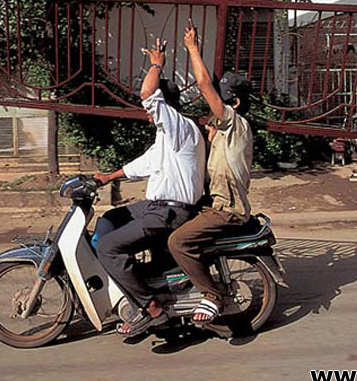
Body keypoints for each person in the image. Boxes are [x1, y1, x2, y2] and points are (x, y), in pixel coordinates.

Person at [93, 38, 206, 337]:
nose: (147, 112)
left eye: (153, 108)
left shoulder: (179, 125)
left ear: (164, 105)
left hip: (168, 213)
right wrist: (108, 177)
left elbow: (147, 94)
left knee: (108, 247)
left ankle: (151, 307)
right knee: (110, 219)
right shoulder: (168, 137)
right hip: (156, 208)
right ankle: (136, 282)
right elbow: (145, 163)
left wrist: (157, 65)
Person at [168, 24, 253, 324]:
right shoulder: (220, 131)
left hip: (227, 210)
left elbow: (204, 85)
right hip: (213, 204)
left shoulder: (236, 123)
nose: (213, 103)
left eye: (220, 98)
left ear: (235, 103)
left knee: (177, 242)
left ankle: (212, 294)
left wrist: (192, 48)